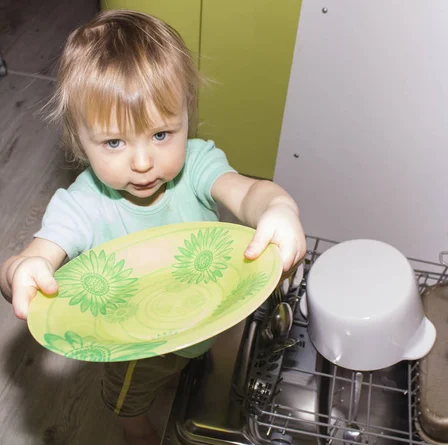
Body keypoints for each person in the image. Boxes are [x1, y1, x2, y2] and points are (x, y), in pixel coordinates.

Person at [0, 9, 306, 445]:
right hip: (133, 345)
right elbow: (29, 261)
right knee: (131, 396)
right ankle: (134, 428)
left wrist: (279, 207)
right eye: (114, 142)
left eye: (161, 134)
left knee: (199, 359)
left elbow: (249, 193)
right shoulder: (83, 205)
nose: (143, 163)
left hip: (203, 312)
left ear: (187, 116)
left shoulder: (198, 163)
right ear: (78, 140)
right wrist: (22, 271)